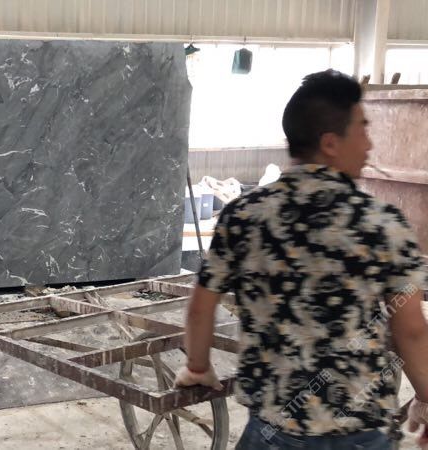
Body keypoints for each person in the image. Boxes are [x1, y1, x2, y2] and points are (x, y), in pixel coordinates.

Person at [174, 69, 428, 449]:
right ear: (330, 143)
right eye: (362, 129)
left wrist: (197, 367)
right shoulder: (381, 223)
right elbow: (411, 330)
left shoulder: (243, 215)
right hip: (359, 434)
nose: (369, 144)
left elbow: (200, 307)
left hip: (273, 431)